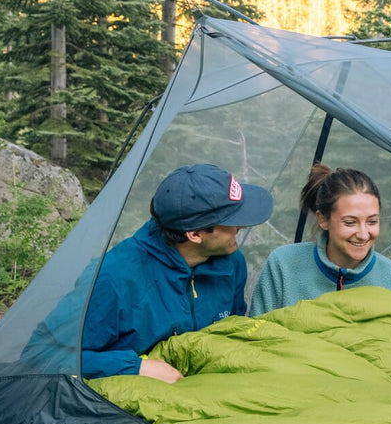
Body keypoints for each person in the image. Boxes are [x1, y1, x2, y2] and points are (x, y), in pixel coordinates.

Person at [69, 163, 273, 381]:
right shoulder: (113, 278)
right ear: (195, 234)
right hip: (130, 402)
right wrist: (137, 367)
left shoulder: (231, 263)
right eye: (232, 221)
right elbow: (45, 354)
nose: (241, 227)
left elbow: (232, 329)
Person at [249, 164, 391, 315]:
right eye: (350, 222)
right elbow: (256, 336)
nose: (363, 234)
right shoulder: (284, 265)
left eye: (372, 222)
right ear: (323, 220)